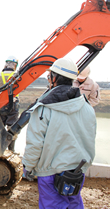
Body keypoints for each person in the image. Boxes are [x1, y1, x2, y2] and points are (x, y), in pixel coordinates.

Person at [22, 58, 96, 209]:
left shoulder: (44, 108)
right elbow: (90, 138)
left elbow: (35, 143)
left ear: (54, 78)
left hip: (50, 173)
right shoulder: (87, 108)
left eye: (49, 76)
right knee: (74, 204)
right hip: (76, 171)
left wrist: (28, 167)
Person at [0, 56, 20, 151]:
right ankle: (11, 150)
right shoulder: (17, 74)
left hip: (0, 105)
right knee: (12, 127)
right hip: (13, 104)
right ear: (14, 65)